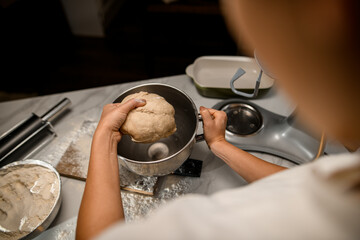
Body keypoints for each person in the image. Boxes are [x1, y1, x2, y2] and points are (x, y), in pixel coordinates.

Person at [76, 0, 360, 239]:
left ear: (325, 18)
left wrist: (103, 140)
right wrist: (220, 145)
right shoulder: (345, 180)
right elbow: (298, 184)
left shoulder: (220, 224)